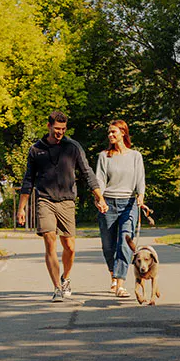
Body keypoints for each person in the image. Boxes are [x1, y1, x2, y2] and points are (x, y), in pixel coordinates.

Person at [17, 111, 107, 302]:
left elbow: (87, 173)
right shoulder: (36, 150)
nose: (60, 132)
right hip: (45, 200)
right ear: (49, 126)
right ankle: (57, 288)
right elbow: (28, 180)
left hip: (67, 201)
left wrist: (99, 197)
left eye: (63, 129)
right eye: (57, 129)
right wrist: (21, 207)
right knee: (50, 240)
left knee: (70, 246)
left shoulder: (72, 147)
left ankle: (65, 278)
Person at [95, 119, 148, 298]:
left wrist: (140, 196)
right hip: (108, 203)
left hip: (129, 204)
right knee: (108, 246)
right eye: (109, 132)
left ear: (123, 133)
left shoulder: (135, 156)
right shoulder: (104, 156)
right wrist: (100, 199)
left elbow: (140, 179)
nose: (110, 135)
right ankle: (113, 273)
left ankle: (120, 284)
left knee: (125, 243)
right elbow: (100, 180)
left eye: (113, 132)